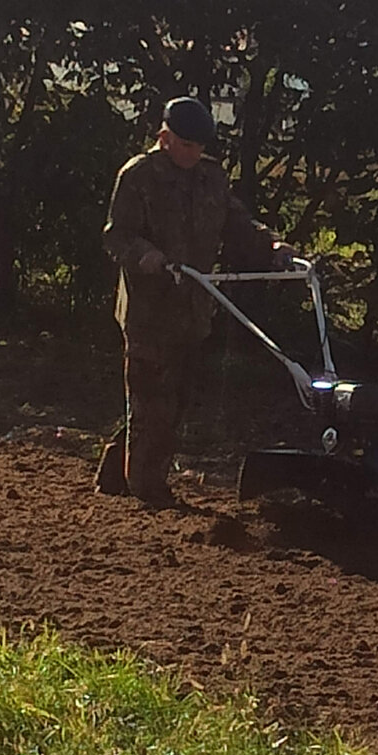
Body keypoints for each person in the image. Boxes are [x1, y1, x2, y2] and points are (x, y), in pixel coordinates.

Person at [94, 96, 291, 508]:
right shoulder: (138, 176)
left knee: (174, 398)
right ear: (164, 138)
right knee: (151, 399)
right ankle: (148, 490)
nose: (193, 153)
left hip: (194, 309)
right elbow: (116, 235)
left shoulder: (211, 179)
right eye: (186, 145)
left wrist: (272, 244)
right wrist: (145, 255)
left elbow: (236, 221)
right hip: (149, 311)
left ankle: (116, 473)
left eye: (199, 146)